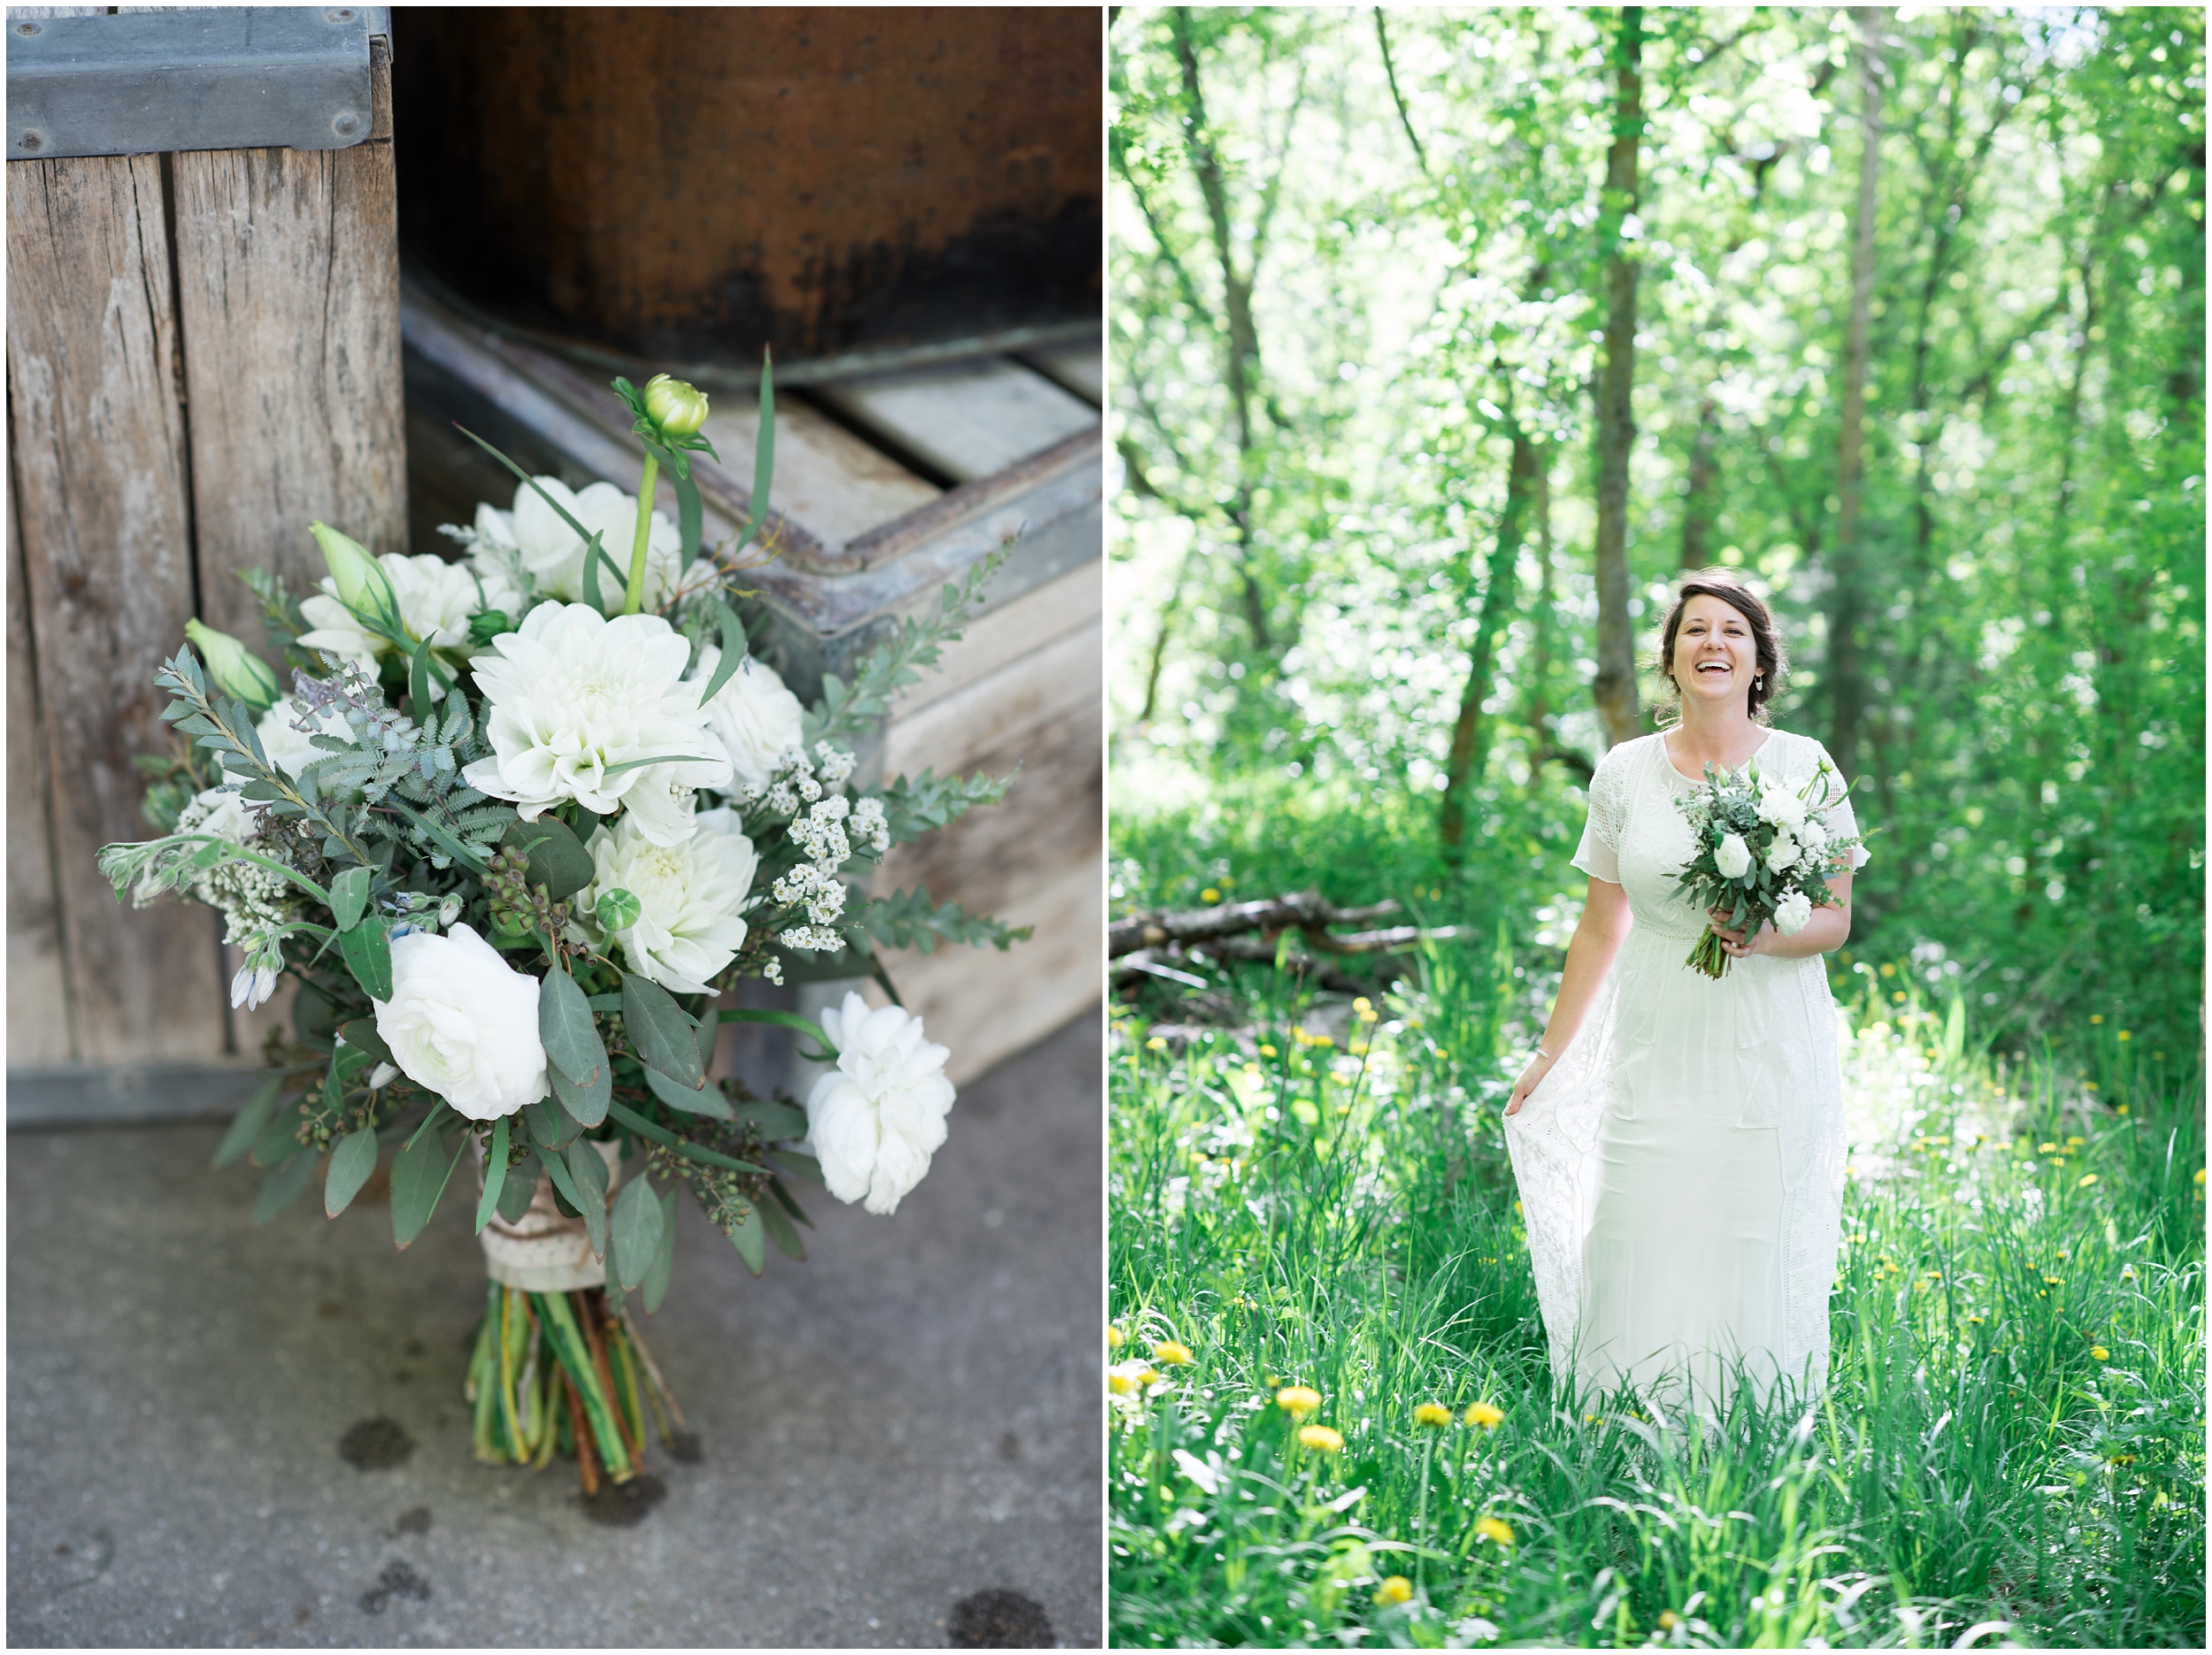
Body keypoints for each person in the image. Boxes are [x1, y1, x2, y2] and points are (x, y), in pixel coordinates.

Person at [1502, 571, 1868, 1414]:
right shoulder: (1625, 773)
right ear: (1671, 658)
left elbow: (1837, 918)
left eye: (1733, 632)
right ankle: (1621, 1426)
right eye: (1695, 630)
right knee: (1633, 1223)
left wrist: (1767, 934)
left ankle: (1746, 1427)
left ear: (1758, 664)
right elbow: (1600, 926)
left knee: (1746, 1231)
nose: (1714, 643)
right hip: (1655, 1029)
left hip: (1765, 1029)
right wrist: (1549, 1054)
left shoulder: (1804, 767)